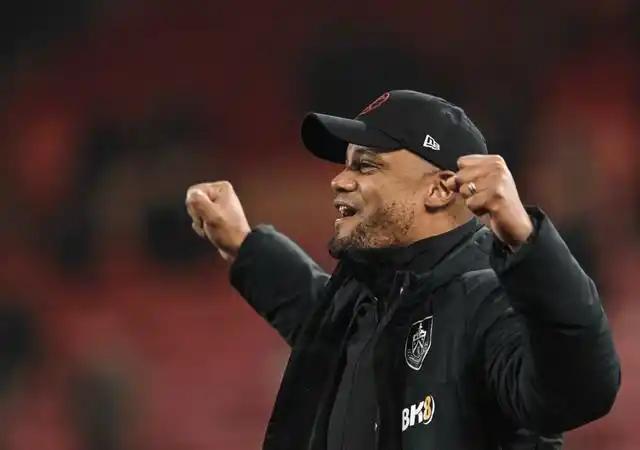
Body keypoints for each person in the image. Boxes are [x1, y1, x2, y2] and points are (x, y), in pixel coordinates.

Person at [185, 90, 620, 450]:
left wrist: (524, 236)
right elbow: (317, 318)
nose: (340, 180)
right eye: (346, 164)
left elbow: (580, 388)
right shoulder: (370, 302)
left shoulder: (490, 303)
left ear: (439, 189)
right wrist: (244, 243)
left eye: (366, 165)